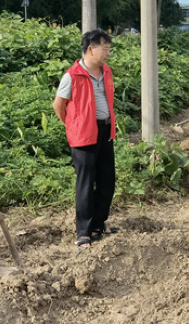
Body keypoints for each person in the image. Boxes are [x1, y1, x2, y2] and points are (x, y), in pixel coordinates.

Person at [52, 29, 119, 249]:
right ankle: (84, 232)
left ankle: (99, 225)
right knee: (86, 183)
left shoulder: (106, 72)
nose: (108, 52)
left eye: (109, 48)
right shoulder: (71, 76)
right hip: (83, 135)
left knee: (107, 180)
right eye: (105, 48)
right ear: (91, 49)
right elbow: (58, 105)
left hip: (105, 131)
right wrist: (72, 126)